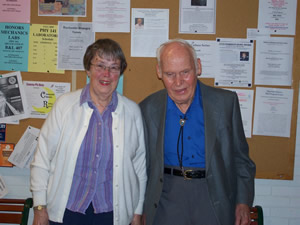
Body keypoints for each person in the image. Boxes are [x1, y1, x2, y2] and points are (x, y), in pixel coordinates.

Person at [30, 39, 147, 225]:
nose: (106, 74)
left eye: (114, 67)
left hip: (112, 214)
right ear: (88, 69)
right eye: (100, 65)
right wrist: (39, 207)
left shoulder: (132, 112)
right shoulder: (65, 105)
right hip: (67, 211)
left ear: (120, 73)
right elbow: (42, 159)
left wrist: (137, 212)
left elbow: (139, 168)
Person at [139, 39, 256, 225]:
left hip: (212, 195)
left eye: (185, 72)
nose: (178, 82)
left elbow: (241, 160)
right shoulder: (148, 108)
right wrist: (141, 209)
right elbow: (142, 167)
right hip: (166, 198)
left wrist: (243, 202)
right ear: (159, 72)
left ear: (198, 67)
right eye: (170, 74)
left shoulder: (225, 103)